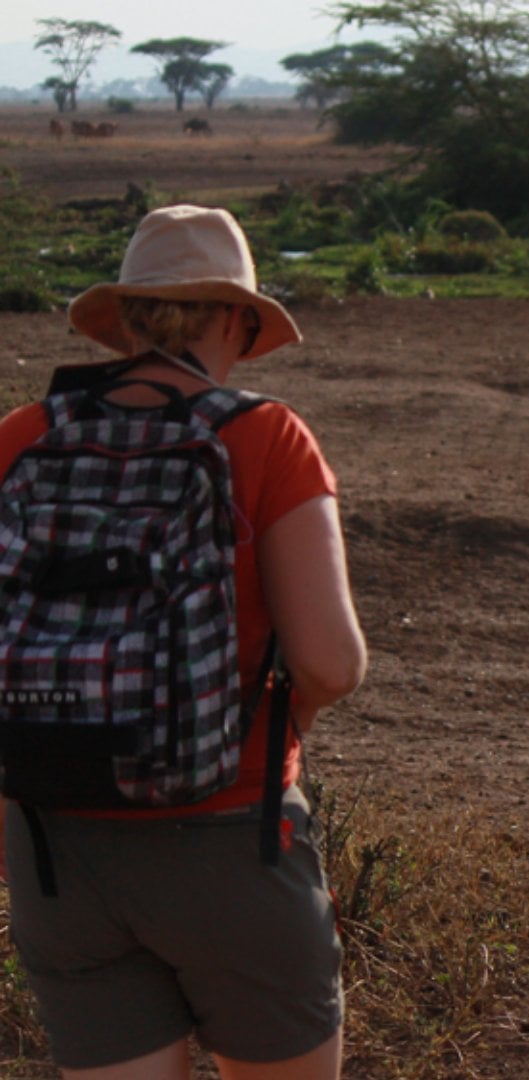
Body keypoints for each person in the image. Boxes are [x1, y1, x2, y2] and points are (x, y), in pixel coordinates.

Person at [0, 205, 367, 1078]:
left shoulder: (22, 438)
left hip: (54, 846)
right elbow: (330, 661)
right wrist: (289, 723)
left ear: (125, 320)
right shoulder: (266, 436)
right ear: (238, 320)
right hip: (230, 832)